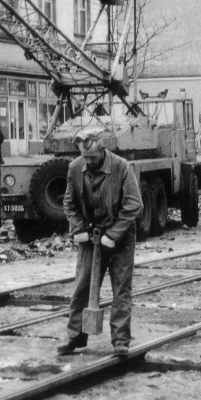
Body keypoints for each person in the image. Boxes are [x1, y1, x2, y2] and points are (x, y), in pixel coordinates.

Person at [57, 128, 142, 357]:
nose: (89, 162)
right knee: (81, 286)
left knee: (121, 288)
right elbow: (69, 203)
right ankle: (75, 337)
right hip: (90, 233)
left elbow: (134, 205)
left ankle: (121, 341)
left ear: (103, 150)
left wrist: (113, 235)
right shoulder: (75, 168)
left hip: (120, 235)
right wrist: (78, 229)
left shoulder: (121, 167)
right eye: (85, 158)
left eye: (93, 158)